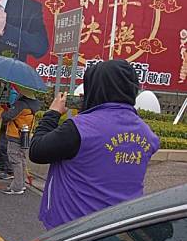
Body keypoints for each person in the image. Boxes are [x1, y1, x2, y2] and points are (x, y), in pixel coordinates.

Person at [29, 60, 160, 230]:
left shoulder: (79, 128)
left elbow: (37, 151)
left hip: (73, 232)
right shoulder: (146, 133)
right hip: (121, 229)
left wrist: (52, 114)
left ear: (95, 88)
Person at [0, 86, 40, 194]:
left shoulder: (21, 104)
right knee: (21, 160)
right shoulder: (35, 104)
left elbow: (7, 117)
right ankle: (21, 184)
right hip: (24, 134)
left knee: (15, 160)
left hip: (15, 135)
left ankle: (16, 187)